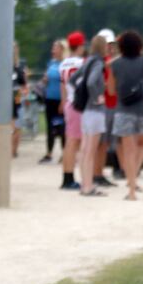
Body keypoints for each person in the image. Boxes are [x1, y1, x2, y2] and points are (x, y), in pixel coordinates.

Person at [108, 30, 143, 201]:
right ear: (140, 46)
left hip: (124, 109)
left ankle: (131, 189)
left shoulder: (115, 65)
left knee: (128, 150)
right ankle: (133, 179)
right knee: (142, 144)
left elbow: (110, 90)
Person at [73, 34, 108, 196]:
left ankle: (84, 185)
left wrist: (82, 95)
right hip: (95, 110)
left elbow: (73, 79)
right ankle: (88, 186)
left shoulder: (87, 62)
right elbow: (91, 82)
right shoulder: (98, 63)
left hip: (86, 111)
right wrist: (96, 97)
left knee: (84, 149)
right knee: (90, 151)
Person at [59, 31, 86, 190]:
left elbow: (63, 86)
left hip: (69, 102)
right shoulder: (82, 63)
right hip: (78, 104)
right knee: (74, 142)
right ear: (80, 46)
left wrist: (63, 103)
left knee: (71, 141)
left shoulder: (64, 63)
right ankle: (69, 177)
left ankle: (68, 176)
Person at [94, 28, 119, 188]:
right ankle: (96, 173)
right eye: (107, 44)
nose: (110, 47)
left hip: (111, 104)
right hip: (104, 105)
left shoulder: (108, 60)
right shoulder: (99, 62)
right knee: (100, 143)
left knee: (105, 143)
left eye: (111, 44)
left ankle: (99, 173)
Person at [39, 39, 66, 163]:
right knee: (50, 127)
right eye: (53, 48)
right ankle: (49, 153)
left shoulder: (65, 64)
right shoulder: (51, 63)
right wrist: (44, 80)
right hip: (50, 100)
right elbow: (46, 79)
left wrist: (63, 101)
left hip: (61, 100)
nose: (52, 50)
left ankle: (64, 153)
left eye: (55, 48)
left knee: (61, 127)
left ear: (62, 49)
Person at [11, 42, 28, 158]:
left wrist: (24, 94)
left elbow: (24, 85)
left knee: (17, 124)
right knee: (10, 125)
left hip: (16, 96)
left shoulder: (19, 68)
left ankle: (14, 150)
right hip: (5, 96)